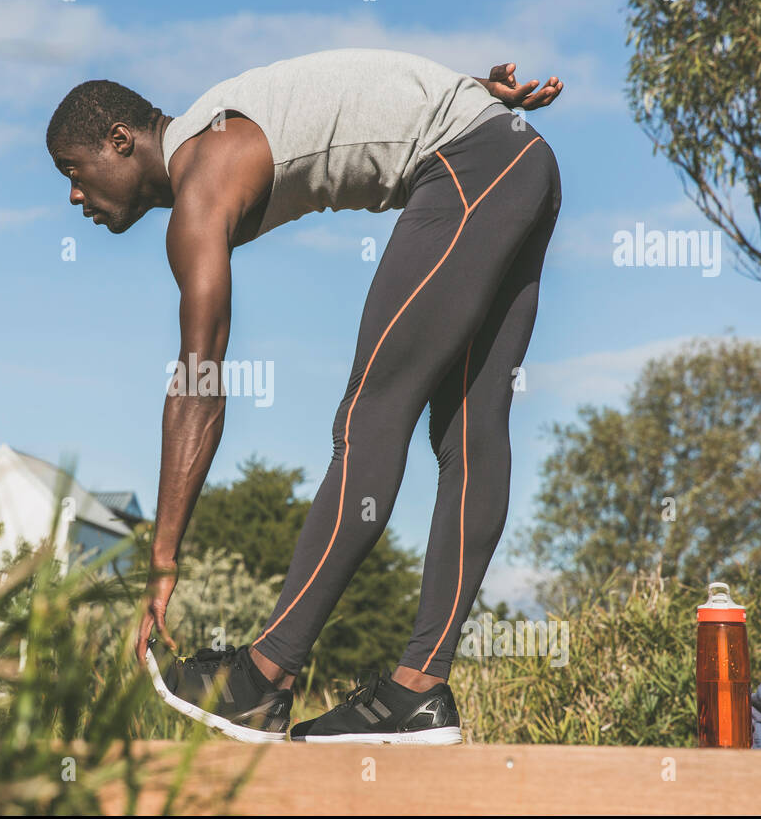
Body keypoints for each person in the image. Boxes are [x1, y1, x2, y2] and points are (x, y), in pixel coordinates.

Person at [46, 49, 563, 743]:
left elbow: (199, 384)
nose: (74, 196)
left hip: (471, 165)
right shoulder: (221, 120)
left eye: (73, 172)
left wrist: (162, 559)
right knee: (469, 427)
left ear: (119, 141)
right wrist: (475, 93)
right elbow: (348, 94)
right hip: (521, 161)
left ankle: (264, 678)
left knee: (371, 414)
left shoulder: (201, 178)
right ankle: (418, 691)